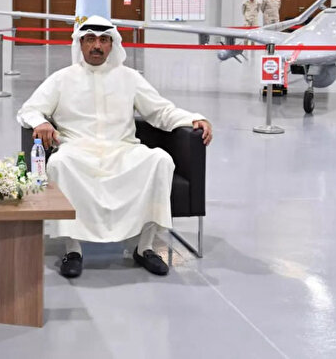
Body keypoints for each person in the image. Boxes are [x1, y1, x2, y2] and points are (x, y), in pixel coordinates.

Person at [17, 16, 212, 278]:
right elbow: (28, 110)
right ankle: (73, 250)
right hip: (78, 152)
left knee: (160, 160)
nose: (97, 46)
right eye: (90, 39)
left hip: (122, 150)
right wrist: (40, 122)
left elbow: (160, 111)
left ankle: (145, 248)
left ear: (112, 44)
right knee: (59, 163)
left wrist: (193, 119)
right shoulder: (61, 79)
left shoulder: (129, 78)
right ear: (81, 43)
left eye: (103, 40)